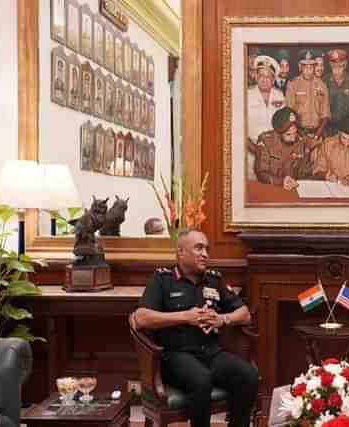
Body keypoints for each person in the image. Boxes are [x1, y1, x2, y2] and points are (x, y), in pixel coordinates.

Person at [133, 230, 258, 427]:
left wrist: (222, 319)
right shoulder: (162, 280)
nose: (205, 254)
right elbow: (140, 318)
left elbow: (244, 314)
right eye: (199, 248)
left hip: (211, 353)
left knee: (247, 375)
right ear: (181, 252)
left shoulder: (214, 280)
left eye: (207, 249)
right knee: (201, 379)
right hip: (175, 355)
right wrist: (184, 316)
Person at [254, 107, 315, 190]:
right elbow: (261, 173)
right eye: (288, 134)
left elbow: (305, 173)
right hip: (271, 188)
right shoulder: (265, 141)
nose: (293, 139)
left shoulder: (302, 141)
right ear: (278, 133)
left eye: (295, 133)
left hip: (294, 189)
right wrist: (281, 181)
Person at [285, 49, 331, 141]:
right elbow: (290, 113)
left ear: (315, 67)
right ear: (300, 66)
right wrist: (303, 136)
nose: (309, 70)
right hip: (298, 134)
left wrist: (316, 136)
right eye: (305, 67)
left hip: (318, 133)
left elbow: (325, 115)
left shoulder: (322, 85)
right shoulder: (293, 84)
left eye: (311, 66)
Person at [323, 48, 349, 136]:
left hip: (348, 128)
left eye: (340, 65)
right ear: (330, 64)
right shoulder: (324, 81)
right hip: (329, 128)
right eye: (334, 65)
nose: (337, 69)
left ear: (345, 64)